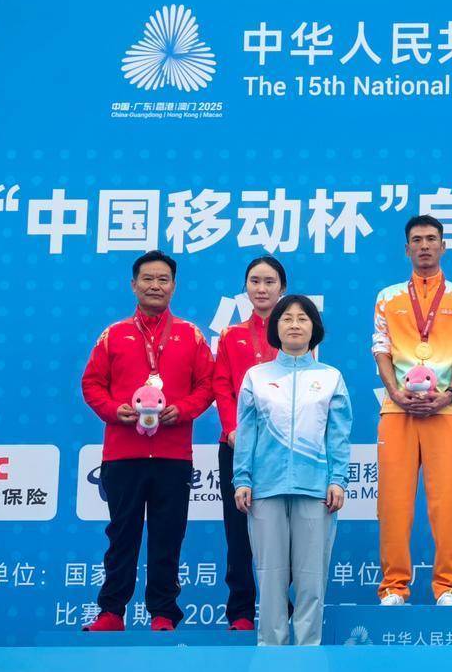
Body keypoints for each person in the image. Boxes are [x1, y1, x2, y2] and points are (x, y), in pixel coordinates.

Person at [79, 250, 215, 632]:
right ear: (133, 285)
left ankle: (163, 613)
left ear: (174, 286)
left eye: (163, 279)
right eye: (148, 279)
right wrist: (113, 410)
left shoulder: (191, 335)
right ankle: (111, 612)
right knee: (121, 535)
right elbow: (91, 384)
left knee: (168, 536)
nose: (155, 285)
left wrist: (182, 410)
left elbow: (208, 385)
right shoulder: (113, 335)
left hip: (173, 456)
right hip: (123, 453)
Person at [373, 215, 452, 606]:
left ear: (443, 246)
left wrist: (449, 393)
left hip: (446, 410)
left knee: (448, 503)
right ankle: (394, 586)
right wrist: (394, 392)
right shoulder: (388, 296)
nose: (424, 246)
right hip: (397, 409)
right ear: (407, 249)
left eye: (431, 239)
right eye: (416, 240)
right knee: (393, 503)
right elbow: (381, 347)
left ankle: (447, 586)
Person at [233, 295, 351, 647]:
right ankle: (271, 649)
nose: (295, 324)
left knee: (311, 578)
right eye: (287, 318)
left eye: (303, 318)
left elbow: (338, 434)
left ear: (314, 328)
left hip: (315, 490)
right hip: (265, 488)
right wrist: (242, 478)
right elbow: (247, 432)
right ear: (276, 327)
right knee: (270, 577)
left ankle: (307, 649)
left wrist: (337, 480)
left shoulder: (330, 378)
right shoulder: (257, 377)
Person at [212, 255, 287, 632]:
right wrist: (232, 429)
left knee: (282, 531)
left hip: (283, 449)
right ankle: (240, 611)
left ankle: (281, 607)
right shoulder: (231, 335)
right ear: (245, 287)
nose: (261, 288)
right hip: (237, 446)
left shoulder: (295, 334)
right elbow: (221, 384)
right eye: (255, 281)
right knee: (238, 530)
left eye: (269, 282)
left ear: (282, 289)